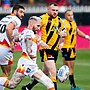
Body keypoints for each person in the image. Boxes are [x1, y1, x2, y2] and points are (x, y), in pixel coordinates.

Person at [0, 16, 55, 90]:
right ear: (32, 24)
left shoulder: (24, 32)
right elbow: (28, 41)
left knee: (12, 85)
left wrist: (44, 44)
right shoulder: (29, 33)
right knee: (49, 83)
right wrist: (29, 51)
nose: (39, 28)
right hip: (28, 63)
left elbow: (18, 39)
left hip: (26, 63)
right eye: (38, 26)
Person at [22, 2, 66, 90]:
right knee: (53, 73)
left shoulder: (59, 20)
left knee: (44, 72)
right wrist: (40, 41)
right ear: (48, 9)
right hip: (46, 49)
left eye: (56, 10)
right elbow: (33, 29)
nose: (55, 12)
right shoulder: (42, 18)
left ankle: (28, 87)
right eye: (53, 10)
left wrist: (62, 39)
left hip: (55, 50)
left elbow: (64, 33)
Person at [61, 10, 90, 90]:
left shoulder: (73, 23)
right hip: (66, 48)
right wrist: (60, 43)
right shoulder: (64, 24)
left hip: (72, 48)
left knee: (71, 69)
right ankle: (73, 86)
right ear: (65, 16)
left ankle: (60, 76)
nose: (71, 16)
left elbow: (77, 31)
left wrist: (86, 36)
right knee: (68, 68)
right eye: (69, 15)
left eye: (72, 15)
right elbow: (60, 34)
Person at [0, 4, 25, 90]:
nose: (22, 14)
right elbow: (8, 29)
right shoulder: (16, 19)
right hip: (4, 48)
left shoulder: (4, 18)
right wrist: (11, 42)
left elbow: (12, 33)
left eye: (23, 13)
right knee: (6, 73)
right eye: (21, 12)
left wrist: (19, 38)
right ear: (15, 11)